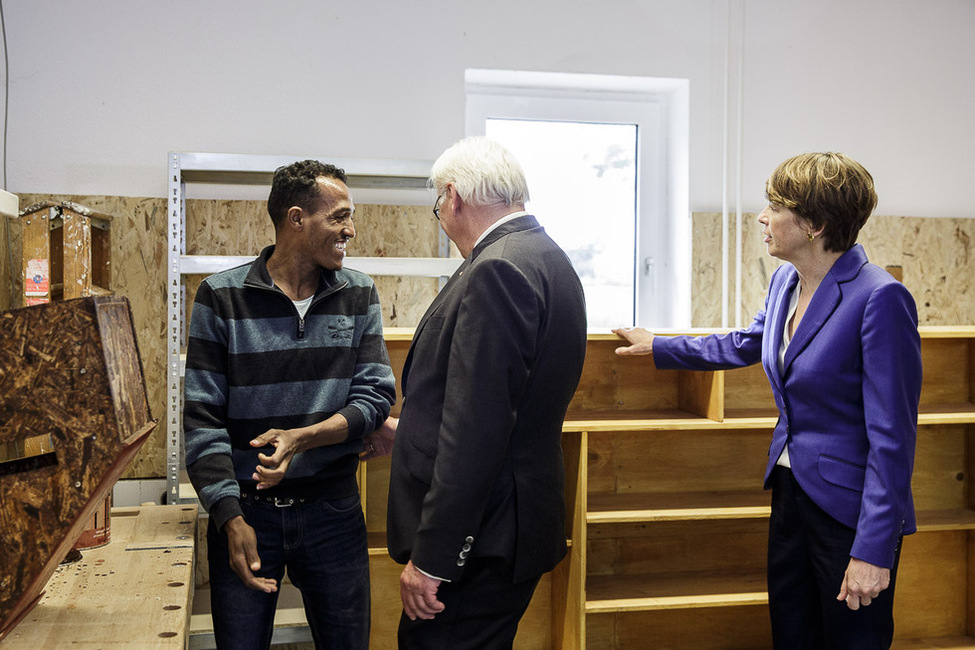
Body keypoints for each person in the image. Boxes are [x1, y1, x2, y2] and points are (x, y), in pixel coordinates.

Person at [614, 152, 922, 649]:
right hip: (790, 488)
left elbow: (894, 438)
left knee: (850, 639)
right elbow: (746, 341)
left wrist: (873, 550)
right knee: (792, 631)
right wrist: (661, 346)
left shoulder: (880, 298)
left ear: (816, 223)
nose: (762, 217)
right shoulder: (786, 280)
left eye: (776, 205)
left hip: (850, 510)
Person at [382, 136, 588, 649]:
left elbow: (477, 429)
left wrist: (434, 557)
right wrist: (409, 433)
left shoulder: (496, 267)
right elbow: (502, 400)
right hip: (508, 524)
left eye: (437, 205)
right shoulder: (545, 256)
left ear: (452, 196)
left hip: (478, 541)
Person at [183, 159, 396, 649]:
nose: (351, 229)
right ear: (297, 219)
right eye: (339, 217)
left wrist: (302, 438)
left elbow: (376, 395)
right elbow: (202, 420)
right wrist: (228, 517)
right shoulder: (221, 298)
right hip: (246, 515)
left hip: (333, 511)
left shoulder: (358, 293)